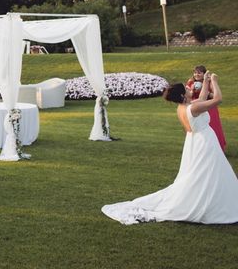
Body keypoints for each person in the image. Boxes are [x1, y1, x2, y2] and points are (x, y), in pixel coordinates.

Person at [102, 72, 238, 224]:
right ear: (182, 94)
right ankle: (212, 205)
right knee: (206, 173)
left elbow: (202, 98)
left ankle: (211, 201)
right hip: (204, 143)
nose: (188, 88)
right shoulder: (193, 108)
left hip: (195, 143)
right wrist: (214, 81)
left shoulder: (184, 107)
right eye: (186, 88)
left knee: (201, 174)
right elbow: (217, 99)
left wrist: (205, 81)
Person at [186, 64, 226, 151]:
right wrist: (192, 90)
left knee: (212, 125)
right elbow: (187, 96)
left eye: (199, 73)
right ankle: (200, 147)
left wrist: (207, 93)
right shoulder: (190, 82)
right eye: (195, 73)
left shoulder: (210, 82)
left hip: (209, 106)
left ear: (204, 74)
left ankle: (216, 147)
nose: (196, 75)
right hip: (195, 107)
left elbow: (215, 95)